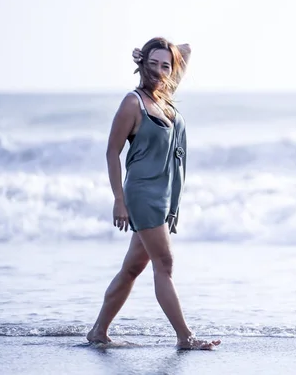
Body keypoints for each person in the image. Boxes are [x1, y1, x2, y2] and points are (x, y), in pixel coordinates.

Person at [86, 37, 220, 350]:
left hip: (164, 197)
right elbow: (111, 152)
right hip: (142, 194)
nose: (160, 71)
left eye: (165, 66)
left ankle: (98, 331)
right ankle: (185, 337)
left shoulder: (164, 97)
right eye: (153, 64)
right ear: (142, 66)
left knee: (133, 267)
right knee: (165, 263)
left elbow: (184, 51)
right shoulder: (133, 103)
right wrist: (119, 200)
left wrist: (153, 54)